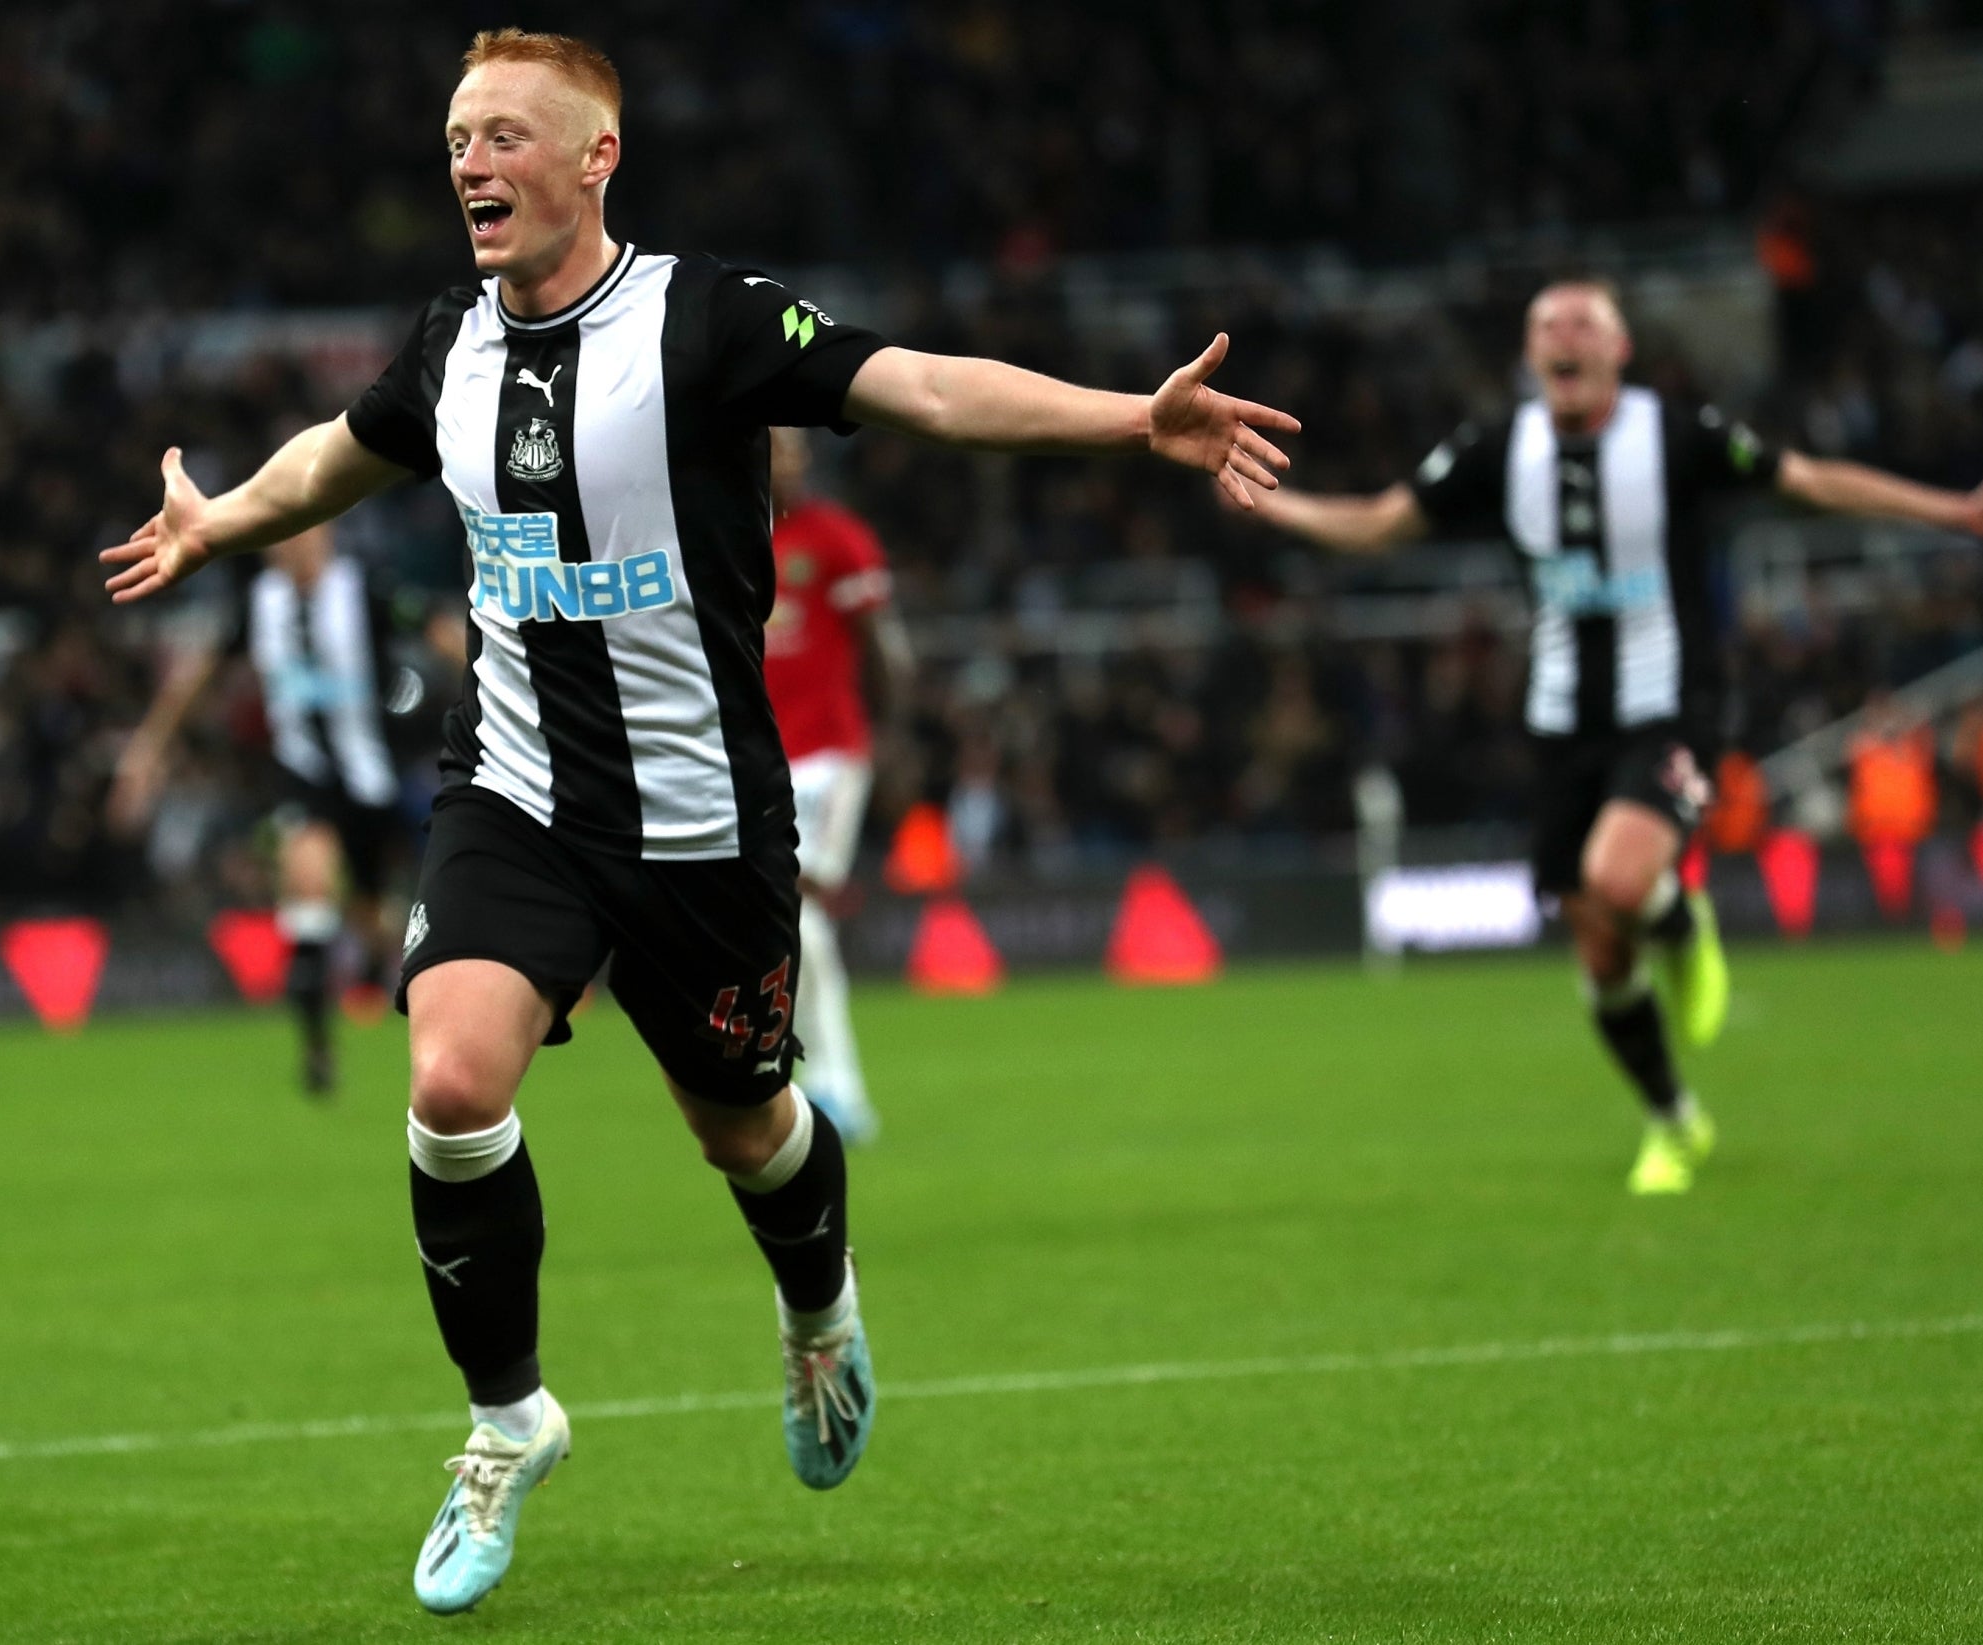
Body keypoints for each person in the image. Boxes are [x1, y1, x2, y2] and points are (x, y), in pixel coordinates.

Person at [99, 28, 1299, 1618]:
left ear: (595, 159)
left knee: (743, 1126)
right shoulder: (450, 338)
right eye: (459, 137)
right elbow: (351, 448)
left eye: (508, 136)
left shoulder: (706, 317)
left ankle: (819, 1310)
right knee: (454, 1079)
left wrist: (1125, 420)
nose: (473, 163)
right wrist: (227, 516)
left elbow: (917, 384)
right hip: (512, 796)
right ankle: (506, 1419)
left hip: (702, 818)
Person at [1255, 278, 1983, 1196]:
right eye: (1545, 325)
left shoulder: (1678, 435)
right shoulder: (1493, 447)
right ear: (1528, 357)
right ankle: (1673, 1119)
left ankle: (1678, 922)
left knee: (1616, 876)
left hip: (1668, 705)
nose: (1563, 336)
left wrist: (1950, 511)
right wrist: (1278, 507)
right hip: (1560, 723)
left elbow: (1808, 481)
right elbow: (1378, 523)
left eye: (1583, 323)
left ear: (1619, 351)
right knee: (1599, 951)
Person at [110, 522, 463, 1093]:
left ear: (323, 537)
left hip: (373, 778)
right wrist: (149, 748)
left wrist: (488, 683)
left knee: (373, 920)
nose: (287, 549)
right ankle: (318, 1052)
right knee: (309, 889)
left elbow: (436, 627)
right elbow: (198, 672)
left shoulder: (365, 588)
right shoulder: (258, 605)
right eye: (278, 540)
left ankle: (382, 969)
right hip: (304, 777)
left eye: (299, 537)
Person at [762, 427, 912, 1146]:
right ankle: (804, 1080)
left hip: (827, 754)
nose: (787, 460)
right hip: (755, 761)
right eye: (773, 447)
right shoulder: (713, 540)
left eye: (793, 448)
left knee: (797, 911)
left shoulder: (834, 538)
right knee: (779, 919)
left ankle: (835, 1086)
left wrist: (894, 743)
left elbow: (884, 648)